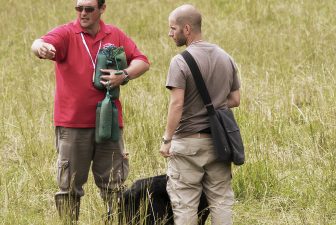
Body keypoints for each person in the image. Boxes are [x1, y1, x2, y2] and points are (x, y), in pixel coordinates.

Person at [31, 0, 149, 223]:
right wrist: (42, 48)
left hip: (109, 122)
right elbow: (39, 43)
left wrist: (123, 75)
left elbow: (142, 61)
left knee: (114, 186)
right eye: (79, 8)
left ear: (102, 9)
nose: (82, 13)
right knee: (69, 187)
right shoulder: (67, 33)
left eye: (89, 9)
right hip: (73, 124)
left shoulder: (114, 34)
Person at [159, 4, 240, 225]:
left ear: (186, 29)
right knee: (221, 200)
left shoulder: (180, 61)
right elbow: (235, 99)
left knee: (185, 203)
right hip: (218, 141)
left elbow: (176, 105)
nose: (169, 33)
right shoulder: (226, 57)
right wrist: (212, 106)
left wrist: (167, 140)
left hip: (187, 143)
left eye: (172, 28)